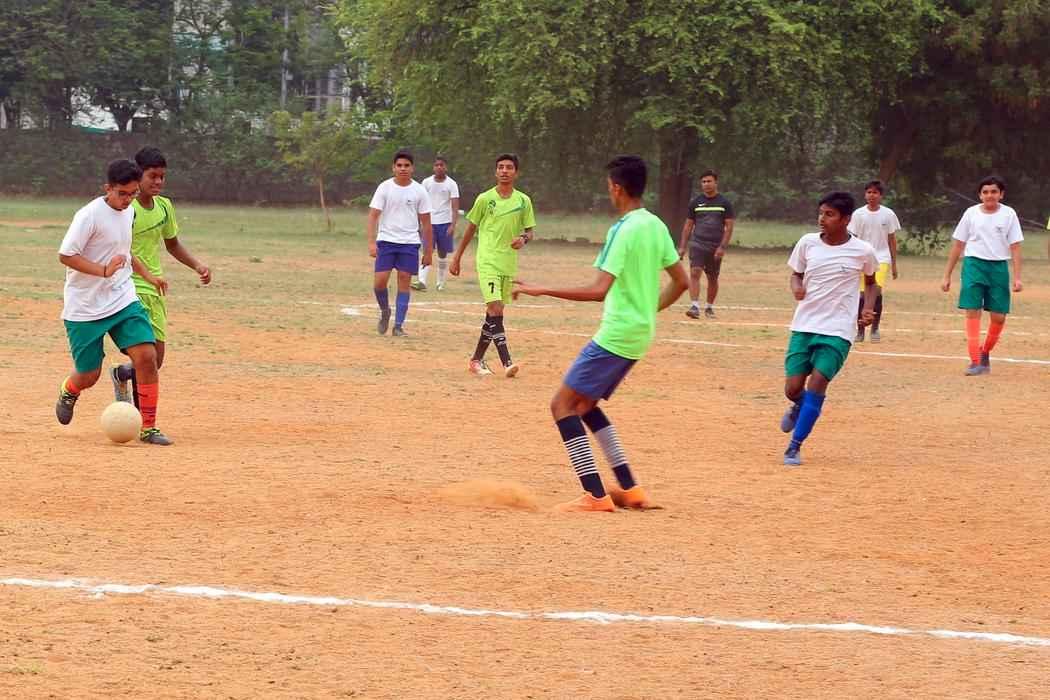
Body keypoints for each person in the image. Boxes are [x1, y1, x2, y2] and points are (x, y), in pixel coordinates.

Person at [514, 155, 689, 512]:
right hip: (638, 333)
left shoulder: (622, 230)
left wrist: (541, 289)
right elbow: (682, 281)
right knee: (585, 405)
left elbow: (598, 290)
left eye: (609, 186)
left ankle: (595, 496)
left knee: (562, 406)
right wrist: (647, 310)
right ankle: (631, 489)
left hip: (617, 334)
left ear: (617, 188)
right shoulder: (655, 225)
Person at [55, 159, 173, 445]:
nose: (127, 200)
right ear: (107, 188)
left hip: (122, 298)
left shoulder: (129, 211)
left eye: (133, 194)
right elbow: (66, 255)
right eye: (122, 193)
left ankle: (149, 427)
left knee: (147, 357)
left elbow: (125, 251)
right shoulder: (89, 216)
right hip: (85, 306)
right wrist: (103, 271)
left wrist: (149, 276)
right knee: (89, 374)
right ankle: (69, 390)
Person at [780, 192, 878, 467]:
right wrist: (796, 287)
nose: (822, 219)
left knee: (818, 383)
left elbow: (871, 283)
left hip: (838, 329)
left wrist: (868, 308)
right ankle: (800, 406)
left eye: (829, 214)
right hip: (804, 324)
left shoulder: (863, 250)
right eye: (821, 213)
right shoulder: (807, 243)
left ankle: (794, 447)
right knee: (793, 388)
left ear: (846, 219)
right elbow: (796, 274)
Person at [110, 147, 212, 405]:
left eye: (162, 177)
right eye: (152, 176)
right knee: (146, 357)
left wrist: (197, 265)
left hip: (155, 288)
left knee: (157, 361)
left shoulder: (164, 206)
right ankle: (138, 416)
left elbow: (172, 244)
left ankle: (122, 374)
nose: (158, 182)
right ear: (138, 175)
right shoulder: (127, 207)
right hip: (129, 287)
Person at [449, 153, 534, 377]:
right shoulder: (485, 199)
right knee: (495, 308)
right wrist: (457, 257)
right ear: (496, 172)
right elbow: (471, 229)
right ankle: (507, 362)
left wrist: (523, 239)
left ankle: (475, 361)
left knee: (494, 313)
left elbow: (529, 231)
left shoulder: (523, 201)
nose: (504, 171)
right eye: (500, 167)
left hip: (508, 263)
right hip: (487, 261)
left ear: (516, 172)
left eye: (509, 167)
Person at [940, 175, 1023, 375]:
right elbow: (958, 244)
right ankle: (975, 361)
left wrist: (1017, 277)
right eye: (985, 192)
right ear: (980, 195)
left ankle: (985, 352)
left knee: (999, 317)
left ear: (1001, 194)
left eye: (994, 191)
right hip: (973, 265)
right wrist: (947, 275)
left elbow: (1015, 247)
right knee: (972, 310)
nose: (989, 195)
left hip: (998, 268)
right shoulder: (971, 213)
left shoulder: (1009, 214)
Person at [367, 151, 433, 337]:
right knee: (380, 282)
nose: (403, 168)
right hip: (386, 241)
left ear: (412, 168)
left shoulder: (419, 190)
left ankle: (398, 326)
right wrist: (371, 242)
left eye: (406, 165)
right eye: (399, 165)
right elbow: (373, 216)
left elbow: (427, 223)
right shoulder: (384, 188)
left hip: (409, 243)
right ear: (393, 168)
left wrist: (428, 251)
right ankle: (385, 310)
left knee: (404, 281)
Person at [677, 170, 735, 319]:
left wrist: (722, 247)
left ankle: (709, 307)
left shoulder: (724, 203)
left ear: (716, 183)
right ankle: (694, 306)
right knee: (695, 272)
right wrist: (682, 247)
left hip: (715, 246)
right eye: (703, 182)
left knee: (712, 277)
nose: (706, 184)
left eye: (709, 181)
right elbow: (688, 226)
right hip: (698, 244)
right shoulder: (695, 203)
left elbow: (729, 227)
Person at [850, 180, 901, 343]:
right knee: (862, 294)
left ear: (881, 195)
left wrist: (894, 264)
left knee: (876, 291)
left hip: (881, 257)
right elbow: (853, 238)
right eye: (869, 192)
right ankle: (860, 330)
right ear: (865, 195)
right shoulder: (858, 214)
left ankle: (875, 328)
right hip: (862, 258)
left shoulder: (888, 214)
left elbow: (892, 239)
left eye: (875, 192)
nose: (872, 195)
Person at [414, 156, 459, 291]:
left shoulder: (451, 184)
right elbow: (420, 202)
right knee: (427, 250)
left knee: (442, 253)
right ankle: (421, 281)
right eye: (436, 165)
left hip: (445, 222)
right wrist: (419, 222)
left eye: (442, 165)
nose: (439, 167)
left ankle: (440, 282)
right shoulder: (426, 182)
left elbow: (455, 206)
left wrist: (453, 225)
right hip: (429, 222)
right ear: (433, 167)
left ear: (446, 167)